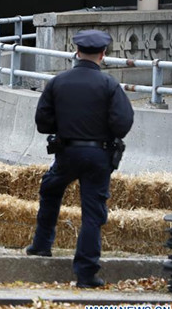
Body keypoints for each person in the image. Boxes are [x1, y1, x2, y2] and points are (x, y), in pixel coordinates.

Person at [26, 29, 134, 288]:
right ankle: (86, 273)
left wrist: (64, 127)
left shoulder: (58, 82)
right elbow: (123, 123)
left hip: (67, 152)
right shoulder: (109, 85)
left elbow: (43, 122)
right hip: (99, 155)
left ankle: (41, 245)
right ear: (103, 54)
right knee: (93, 213)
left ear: (76, 52)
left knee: (50, 190)